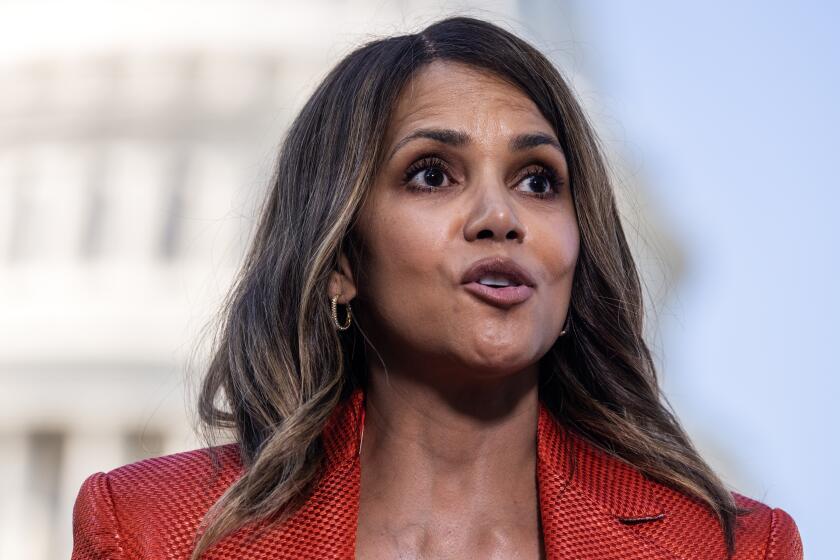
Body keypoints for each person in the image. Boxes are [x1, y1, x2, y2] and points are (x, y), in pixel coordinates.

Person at [71, 16, 803, 560]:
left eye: (538, 180)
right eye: (432, 174)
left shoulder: (732, 547)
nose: (499, 217)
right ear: (340, 262)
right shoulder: (151, 530)